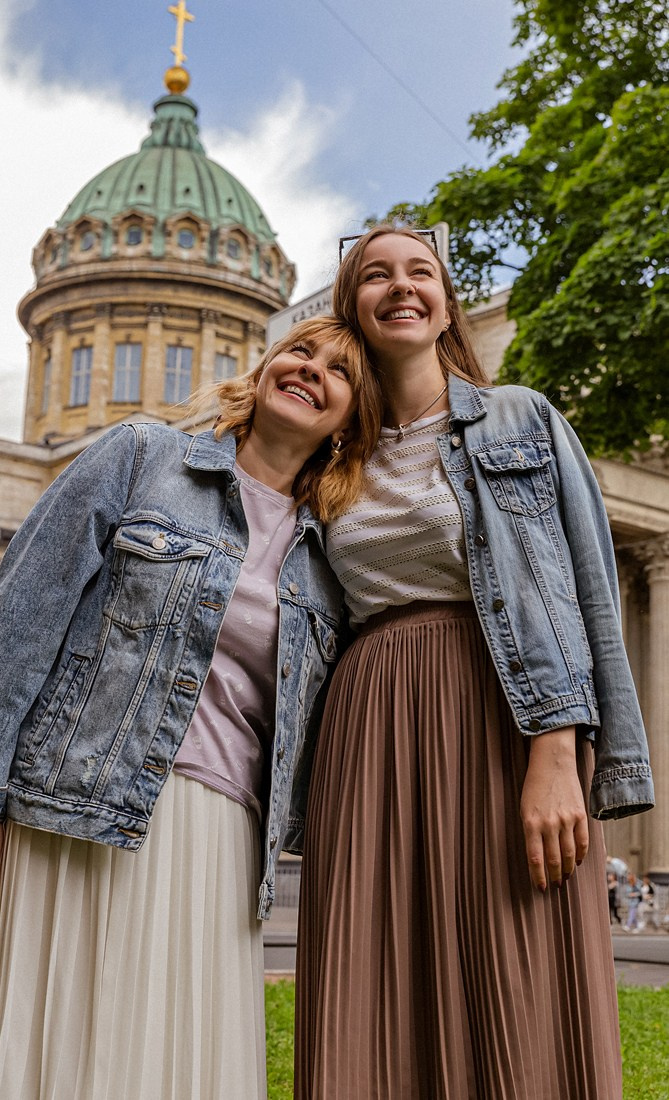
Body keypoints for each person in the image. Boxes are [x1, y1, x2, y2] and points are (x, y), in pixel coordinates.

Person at [0, 315, 381, 1100]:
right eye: (299, 351)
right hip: (76, 807)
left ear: (351, 419)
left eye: (338, 371)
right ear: (263, 365)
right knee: (59, 1050)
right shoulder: (141, 454)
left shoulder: (330, 557)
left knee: (175, 1059)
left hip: (221, 833)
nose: (311, 370)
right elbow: (19, 621)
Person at [295, 226, 655, 1100]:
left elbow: (586, 593)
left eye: (420, 271)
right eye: (375, 275)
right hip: (368, 728)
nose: (401, 286)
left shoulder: (522, 417)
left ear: (445, 302)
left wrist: (558, 752)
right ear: (354, 309)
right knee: (374, 981)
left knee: (519, 962)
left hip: (505, 713)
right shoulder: (326, 455)